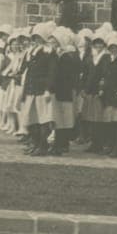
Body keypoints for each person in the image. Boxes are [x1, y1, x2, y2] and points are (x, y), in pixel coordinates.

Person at [20, 22, 57, 156]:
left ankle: (42, 146)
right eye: (35, 37)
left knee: (43, 120)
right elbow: (28, 72)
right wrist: (25, 92)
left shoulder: (49, 52)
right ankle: (35, 144)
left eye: (39, 37)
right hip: (31, 89)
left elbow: (52, 73)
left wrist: (48, 89)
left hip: (42, 91)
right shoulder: (32, 52)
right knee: (32, 119)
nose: (37, 40)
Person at [49, 27, 81, 155]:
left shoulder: (66, 57)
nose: (53, 43)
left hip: (63, 92)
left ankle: (61, 144)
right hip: (60, 91)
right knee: (59, 119)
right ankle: (60, 144)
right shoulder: (59, 55)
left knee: (62, 119)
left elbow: (65, 76)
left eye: (55, 41)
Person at [81, 31, 109, 153]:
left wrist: (102, 89)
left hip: (99, 92)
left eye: (100, 43)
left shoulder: (106, 57)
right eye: (96, 43)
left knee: (99, 119)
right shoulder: (90, 58)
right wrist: (83, 88)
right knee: (91, 118)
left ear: (104, 45)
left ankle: (100, 144)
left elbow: (106, 74)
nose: (98, 45)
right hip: (90, 91)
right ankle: (93, 143)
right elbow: (85, 74)